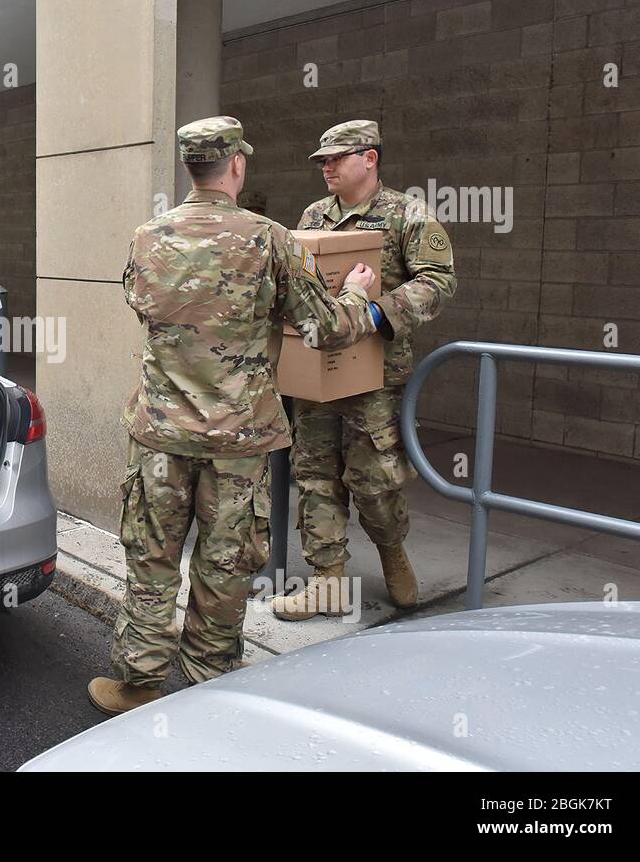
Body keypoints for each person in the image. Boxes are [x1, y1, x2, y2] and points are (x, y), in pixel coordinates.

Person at [87, 116, 377, 716]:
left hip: (160, 434)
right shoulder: (271, 239)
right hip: (238, 440)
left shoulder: (148, 236)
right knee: (227, 559)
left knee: (152, 555)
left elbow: (142, 305)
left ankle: (138, 680)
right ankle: (209, 683)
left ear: (191, 167)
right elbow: (325, 330)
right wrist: (357, 292)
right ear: (237, 165)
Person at [272, 120, 457, 621]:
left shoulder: (407, 214)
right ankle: (326, 581)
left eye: (336, 158)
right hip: (317, 368)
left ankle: (393, 553)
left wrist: (380, 311)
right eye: (322, 160)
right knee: (314, 476)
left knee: (375, 479)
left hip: (375, 375)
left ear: (370, 158)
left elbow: (439, 281)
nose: (326, 166)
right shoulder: (315, 215)